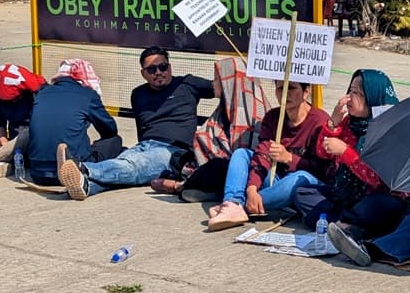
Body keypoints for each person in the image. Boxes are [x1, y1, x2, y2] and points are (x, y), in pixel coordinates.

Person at [57, 47, 216, 200]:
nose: (159, 72)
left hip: (173, 151)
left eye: (163, 67)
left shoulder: (187, 84)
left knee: (133, 167)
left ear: (170, 67)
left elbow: (221, 87)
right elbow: (142, 128)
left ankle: (83, 168)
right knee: (125, 168)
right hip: (143, 147)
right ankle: (87, 186)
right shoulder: (138, 94)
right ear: (143, 74)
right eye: (152, 69)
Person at [293, 69, 408, 241]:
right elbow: (322, 153)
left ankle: (346, 224)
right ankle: (349, 226)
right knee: (302, 193)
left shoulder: (388, 129)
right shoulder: (349, 122)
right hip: (346, 197)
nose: (349, 98)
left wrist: (346, 152)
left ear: (372, 98)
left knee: (382, 206)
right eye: (350, 91)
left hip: (376, 197)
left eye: (358, 93)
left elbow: (377, 179)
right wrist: (333, 124)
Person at [207, 80, 329, 231]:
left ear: (306, 91)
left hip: (304, 185)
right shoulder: (273, 116)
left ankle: (242, 207)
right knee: (242, 154)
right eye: (280, 89)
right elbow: (262, 155)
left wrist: (290, 158)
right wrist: (252, 188)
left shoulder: (320, 121)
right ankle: (233, 202)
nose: (285, 94)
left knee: (298, 178)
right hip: (275, 178)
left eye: (291, 88)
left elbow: (324, 170)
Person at [148, 57, 270, 197]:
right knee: (178, 158)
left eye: (217, 80)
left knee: (218, 167)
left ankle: (180, 186)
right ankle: (204, 188)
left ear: (228, 82)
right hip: (214, 161)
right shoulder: (225, 107)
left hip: (242, 170)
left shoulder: (251, 111)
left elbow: (246, 154)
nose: (213, 84)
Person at [27, 59, 118, 186]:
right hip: (73, 169)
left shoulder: (42, 93)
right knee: (115, 141)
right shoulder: (88, 95)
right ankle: (83, 171)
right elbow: (110, 130)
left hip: (37, 173)